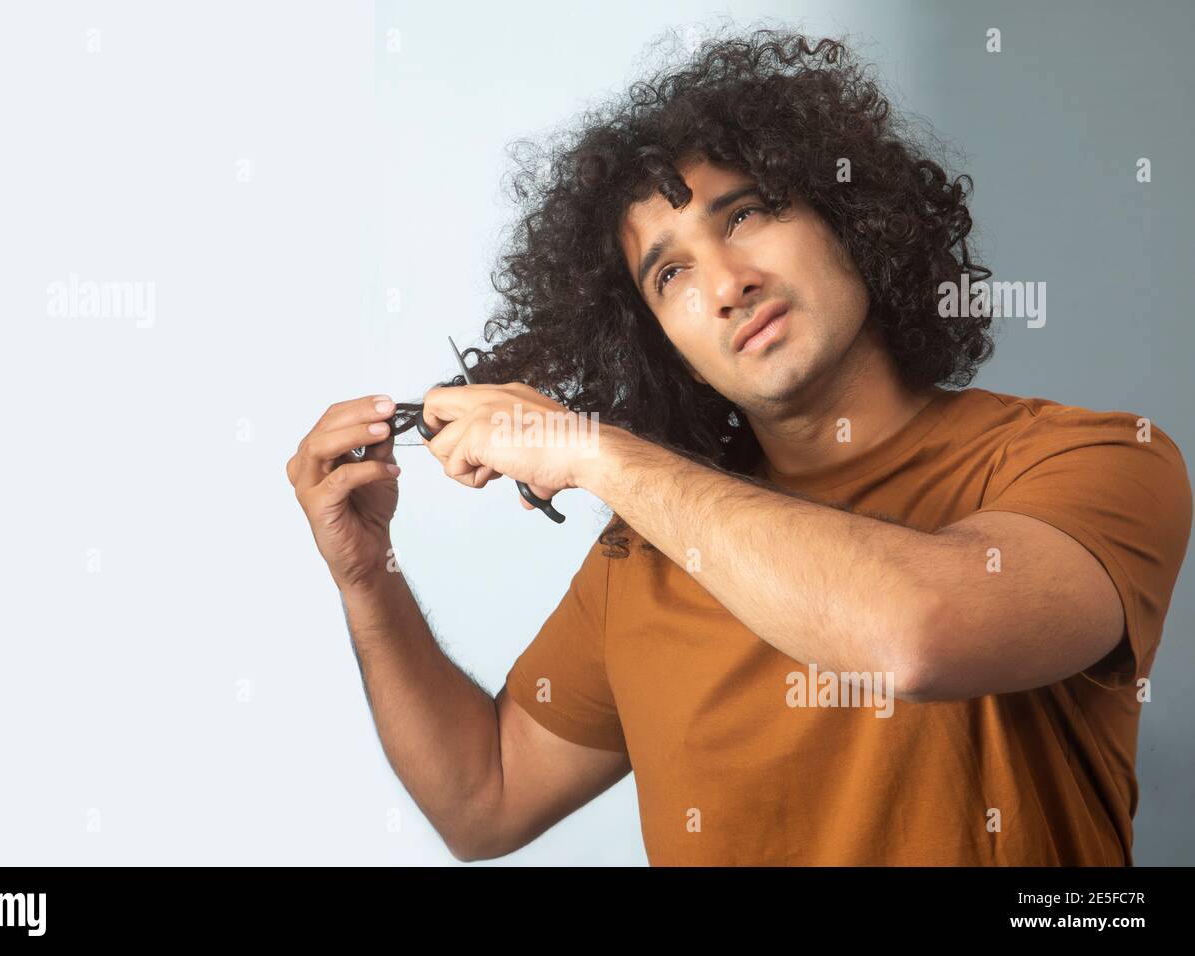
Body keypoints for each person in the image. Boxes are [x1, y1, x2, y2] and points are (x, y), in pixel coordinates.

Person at [286, 28, 1191, 864]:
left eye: (747, 215)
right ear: (652, 336)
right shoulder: (638, 560)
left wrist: (595, 454)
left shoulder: (1093, 459)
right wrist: (370, 581)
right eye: (670, 272)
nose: (726, 284)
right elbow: (482, 799)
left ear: (849, 217)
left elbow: (916, 637)